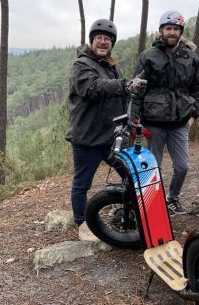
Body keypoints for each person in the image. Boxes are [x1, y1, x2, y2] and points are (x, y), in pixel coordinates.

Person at [66, 19, 147, 241]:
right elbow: (94, 87)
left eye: (108, 39)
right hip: (87, 138)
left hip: (112, 137)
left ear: (112, 44)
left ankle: (130, 211)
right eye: (99, 38)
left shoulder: (111, 67)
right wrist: (125, 85)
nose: (103, 42)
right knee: (82, 184)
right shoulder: (81, 65)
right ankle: (82, 223)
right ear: (92, 41)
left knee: (130, 174)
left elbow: (120, 96)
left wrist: (133, 118)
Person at [132, 11, 199, 215]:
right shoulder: (148, 56)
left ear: (180, 31)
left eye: (175, 29)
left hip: (180, 123)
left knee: (182, 167)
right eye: (168, 28)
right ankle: (151, 204)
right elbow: (137, 90)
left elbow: (198, 88)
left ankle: (172, 198)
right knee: (151, 168)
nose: (171, 32)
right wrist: (135, 120)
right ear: (161, 31)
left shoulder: (191, 57)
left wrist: (193, 116)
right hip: (153, 123)